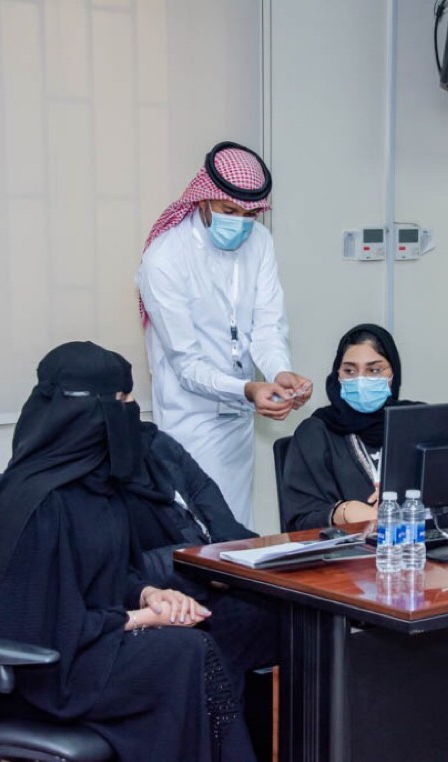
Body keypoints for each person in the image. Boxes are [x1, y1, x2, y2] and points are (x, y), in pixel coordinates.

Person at [0, 341, 254, 762]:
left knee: (208, 638)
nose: (132, 410)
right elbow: (40, 628)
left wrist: (149, 594)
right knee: (184, 653)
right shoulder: (38, 503)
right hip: (43, 671)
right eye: (123, 399)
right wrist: (141, 619)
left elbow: (107, 575)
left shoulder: (97, 487)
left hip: (90, 645)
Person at [136, 141, 311, 530]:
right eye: (229, 211)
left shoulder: (259, 242)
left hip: (238, 417)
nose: (241, 223)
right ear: (203, 200)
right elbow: (187, 365)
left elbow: (267, 325)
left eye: (250, 214)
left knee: (236, 531)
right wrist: (247, 389)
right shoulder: (165, 258)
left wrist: (279, 372)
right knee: (195, 534)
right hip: (190, 417)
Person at [128, 421, 278, 703]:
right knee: (245, 624)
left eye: (128, 398)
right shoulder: (96, 468)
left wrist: (235, 555)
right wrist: (202, 563)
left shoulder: (158, 443)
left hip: (218, 575)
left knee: (298, 615)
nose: (128, 406)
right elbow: (122, 566)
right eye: (121, 400)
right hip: (168, 593)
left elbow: (209, 499)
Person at [281, 324, 418, 531]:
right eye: (350, 371)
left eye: (374, 370)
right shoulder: (315, 432)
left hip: (414, 543)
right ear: (338, 375)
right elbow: (299, 519)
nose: (361, 380)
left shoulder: (414, 422)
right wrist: (341, 512)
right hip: (344, 548)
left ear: (394, 374)